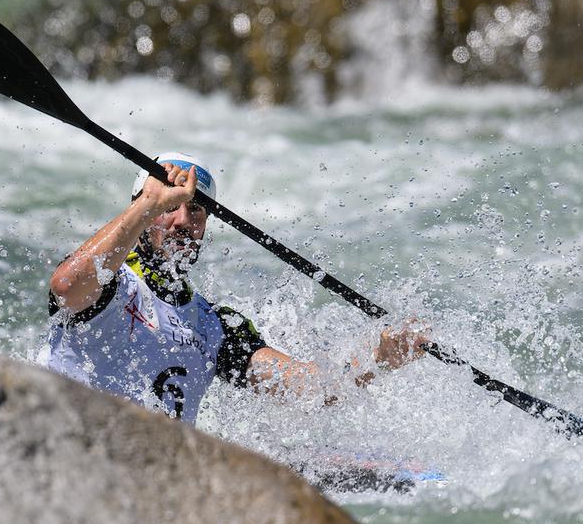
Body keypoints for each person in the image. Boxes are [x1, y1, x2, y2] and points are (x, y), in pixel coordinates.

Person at [46, 152, 426, 423]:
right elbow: (66, 286)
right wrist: (148, 204)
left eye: (195, 210)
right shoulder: (109, 280)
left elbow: (308, 390)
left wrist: (379, 357)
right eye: (168, 207)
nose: (182, 221)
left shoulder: (212, 326)